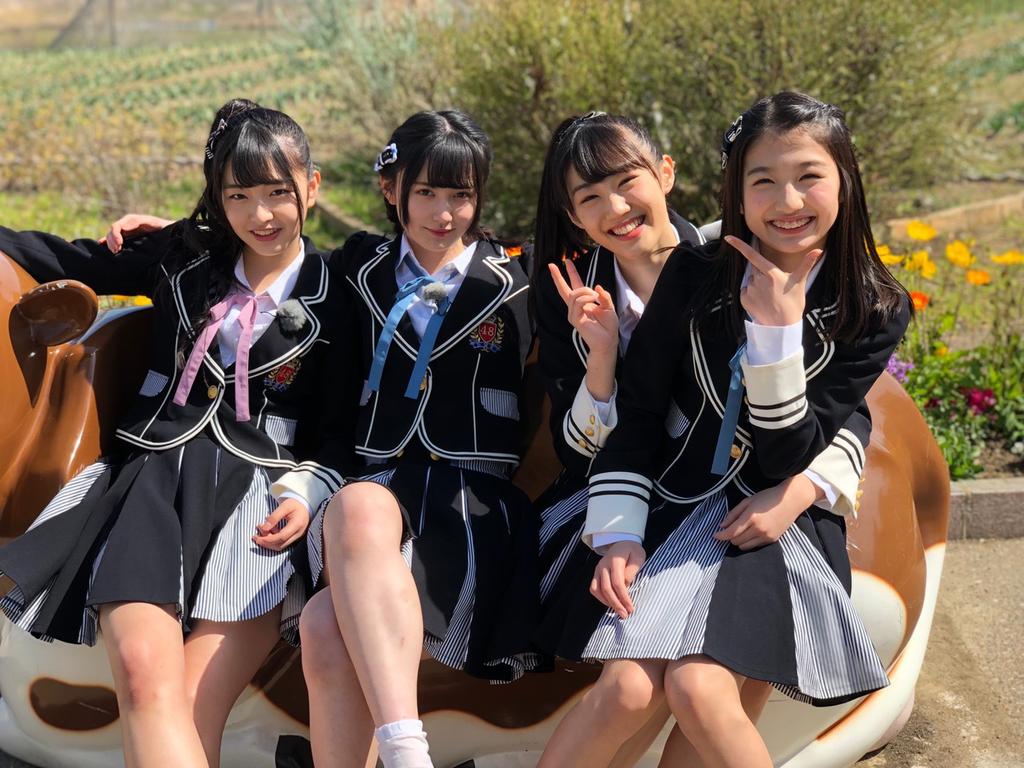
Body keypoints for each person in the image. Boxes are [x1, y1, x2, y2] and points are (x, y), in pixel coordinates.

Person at [535, 92, 910, 767]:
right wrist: (619, 531)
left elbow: (799, 445)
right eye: (761, 181)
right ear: (735, 192)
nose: (786, 201)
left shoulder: (874, 306)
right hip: (677, 498)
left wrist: (776, 337)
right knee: (627, 687)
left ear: (846, 179)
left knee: (698, 687)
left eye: (809, 176)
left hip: (780, 518)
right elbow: (639, 413)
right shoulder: (695, 272)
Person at [0, 99, 359, 768]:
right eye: (238, 196)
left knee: (195, 700)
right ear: (217, 200)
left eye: (278, 193)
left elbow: (344, 430)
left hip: (263, 505)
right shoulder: (181, 259)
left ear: (312, 186)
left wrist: (311, 490)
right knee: (143, 680)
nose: (260, 215)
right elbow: (60, 257)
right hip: (152, 483)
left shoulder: (344, 291)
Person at [297, 109, 539, 768]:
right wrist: (172, 235)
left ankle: (404, 753)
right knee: (356, 509)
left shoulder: (522, 278)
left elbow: (638, 245)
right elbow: (264, 248)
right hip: (374, 501)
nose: (443, 212)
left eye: (461, 194)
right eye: (426, 191)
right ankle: (408, 754)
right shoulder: (357, 269)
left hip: (472, 504)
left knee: (325, 624)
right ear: (390, 187)